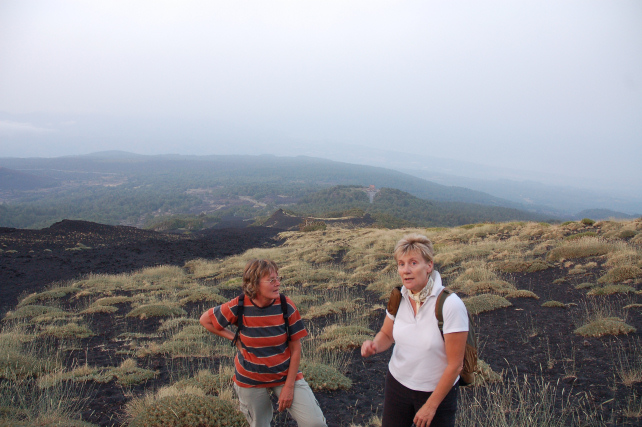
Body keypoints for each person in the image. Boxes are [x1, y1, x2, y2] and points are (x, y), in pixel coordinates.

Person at [200, 258, 327, 427]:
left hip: (284, 375)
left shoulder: (285, 305)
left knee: (315, 423)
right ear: (254, 284)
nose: (277, 284)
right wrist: (235, 338)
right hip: (250, 377)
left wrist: (289, 387)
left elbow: (296, 349)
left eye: (278, 279)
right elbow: (205, 320)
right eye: (271, 280)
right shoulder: (239, 305)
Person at [361, 234, 469, 427]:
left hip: (435, 393)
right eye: (401, 264)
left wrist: (431, 405)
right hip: (397, 385)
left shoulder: (450, 305)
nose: (406, 270)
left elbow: (456, 365)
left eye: (413, 263)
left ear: (429, 266)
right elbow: (387, 334)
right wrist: (375, 345)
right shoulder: (398, 297)